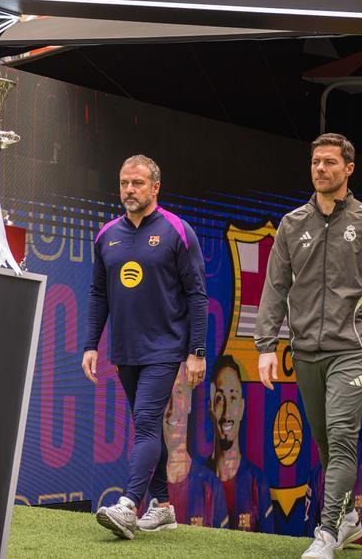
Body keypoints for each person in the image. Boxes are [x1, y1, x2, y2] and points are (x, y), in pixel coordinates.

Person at [254, 133, 362, 559]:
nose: (321, 169)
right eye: (315, 162)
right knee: (326, 442)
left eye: (329, 162)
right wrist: (266, 345)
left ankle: (325, 534)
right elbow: (274, 288)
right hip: (305, 350)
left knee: (342, 437)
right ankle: (347, 521)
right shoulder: (292, 224)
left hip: (353, 349)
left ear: (349, 169)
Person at [83, 154, 208, 540]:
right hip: (124, 350)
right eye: (124, 183)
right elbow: (98, 293)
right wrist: (91, 345)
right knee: (145, 425)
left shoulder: (177, 230)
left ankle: (128, 504)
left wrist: (196, 352)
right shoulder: (107, 235)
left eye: (137, 183)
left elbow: (197, 295)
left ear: (155, 187)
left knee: (147, 424)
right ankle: (164, 507)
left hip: (165, 348)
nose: (129, 190)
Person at [205, 355, 274, 533]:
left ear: (242, 408)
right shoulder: (200, 481)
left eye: (233, 398)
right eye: (220, 399)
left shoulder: (258, 483)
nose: (227, 412)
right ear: (211, 408)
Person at [163, 364, 227, 528]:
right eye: (164, 394)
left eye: (178, 392)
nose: (172, 407)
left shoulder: (210, 486)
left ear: (189, 401)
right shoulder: (143, 486)